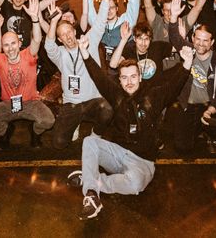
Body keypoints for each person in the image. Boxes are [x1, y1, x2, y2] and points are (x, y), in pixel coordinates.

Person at [67, 35, 194, 220]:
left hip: (142, 163)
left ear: (140, 77)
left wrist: (187, 63)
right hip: (117, 154)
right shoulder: (117, 95)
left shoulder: (153, 96)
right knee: (90, 142)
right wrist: (85, 53)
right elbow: (99, 77)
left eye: (133, 76)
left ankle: (93, 180)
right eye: (124, 78)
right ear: (119, 80)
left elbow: (174, 86)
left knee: (135, 185)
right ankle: (92, 195)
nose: (129, 82)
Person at [0, 0, 55, 150]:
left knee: (48, 121)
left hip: (31, 103)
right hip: (7, 104)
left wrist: (35, 19)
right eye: (6, 45)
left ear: (20, 44)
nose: (10, 48)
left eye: (13, 44)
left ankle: (35, 133)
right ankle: (6, 132)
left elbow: (37, 40)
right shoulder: (0, 59)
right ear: (2, 48)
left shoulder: (28, 56)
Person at [45, 0, 113, 149]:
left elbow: (101, 19)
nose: (67, 36)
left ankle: (96, 134)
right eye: (63, 35)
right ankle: (73, 123)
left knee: (108, 109)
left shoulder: (88, 42)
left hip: (93, 101)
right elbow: (49, 45)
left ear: (75, 32)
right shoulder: (59, 53)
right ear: (60, 39)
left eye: (69, 32)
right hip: (72, 104)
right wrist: (53, 22)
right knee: (59, 144)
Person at [167, 0, 216, 154]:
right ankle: (196, 130)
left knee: (214, 123)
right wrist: (173, 17)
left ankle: (211, 134)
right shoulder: (188, 50)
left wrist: (210, 110)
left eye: (205, 40)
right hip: (188, 104)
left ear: (212, 42)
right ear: (193, 38)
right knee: (182, 147)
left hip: (208, 105)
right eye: (198, 39)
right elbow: (174, 38)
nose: (201, 43)